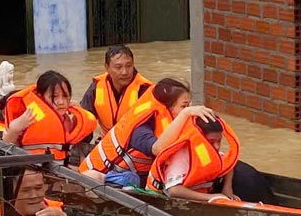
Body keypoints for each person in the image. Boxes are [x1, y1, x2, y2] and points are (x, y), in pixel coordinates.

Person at [80, 78, 214, 186]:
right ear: (166, 108)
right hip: (111, 174)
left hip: (140, 174)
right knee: (130, 179)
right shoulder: (140, 128)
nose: (189, 109)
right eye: (184, 106)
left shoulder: (171, 122)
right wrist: (185, 114)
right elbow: (157, 149)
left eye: (189, 105)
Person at [3, 71, 97, 164]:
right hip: (33, 169)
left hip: (59, 167)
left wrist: (78, 116)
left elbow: (78, 140)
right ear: (41, 97)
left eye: (65, 96)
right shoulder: (29, 115)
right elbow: (5, 149)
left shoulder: (67, 119)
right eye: (54, 96)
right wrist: (14, 129)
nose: (61, 102)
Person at [147, 116, 241, 203]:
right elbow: (173, 190)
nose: (216, 146)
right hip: (162, 200)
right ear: (200, 138)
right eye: (211, 141)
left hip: (199, 196)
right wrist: (211, 197)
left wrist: (227, 187)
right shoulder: (179, 157)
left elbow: (227, 164)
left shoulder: (205, 152)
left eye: (219, 141)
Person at [79, 45, 153, 136]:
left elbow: (149, 126)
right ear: (107, 68)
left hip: (134, 142)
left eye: (129, 66)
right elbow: (85, 117)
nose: (124, 72)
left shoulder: (144, 89)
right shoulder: (96, 86)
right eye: (118, 67)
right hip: (106, 142)